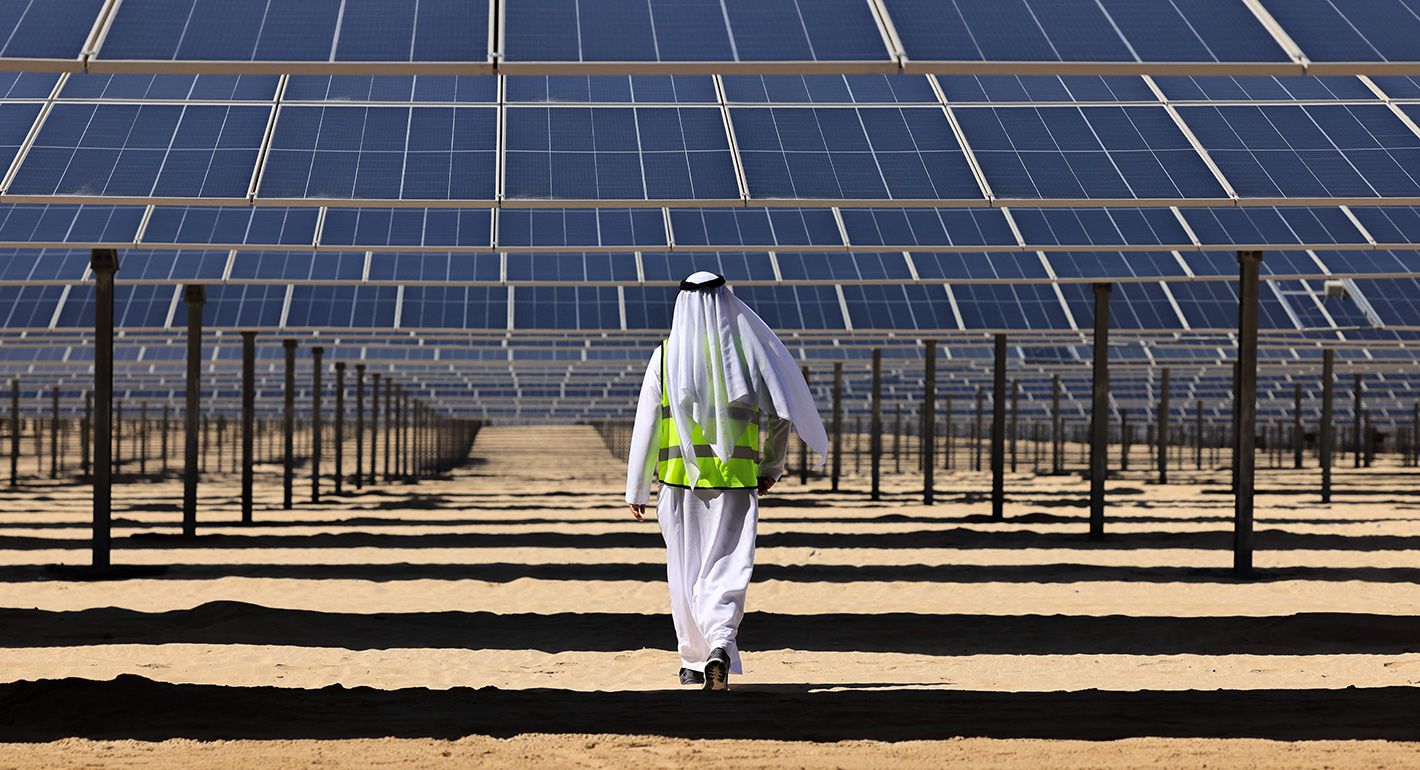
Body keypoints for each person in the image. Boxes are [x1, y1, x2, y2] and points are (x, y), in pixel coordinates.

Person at [624, 271, 828, 691]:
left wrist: (636, 487)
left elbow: (646, 426)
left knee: (685, 570)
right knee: (729, 566)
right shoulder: (750, 357)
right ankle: (721, 641)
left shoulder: (664, 356)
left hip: (679, 484)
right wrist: (770, 467)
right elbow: (778, 417)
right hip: (737, 481)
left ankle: (693, 660)